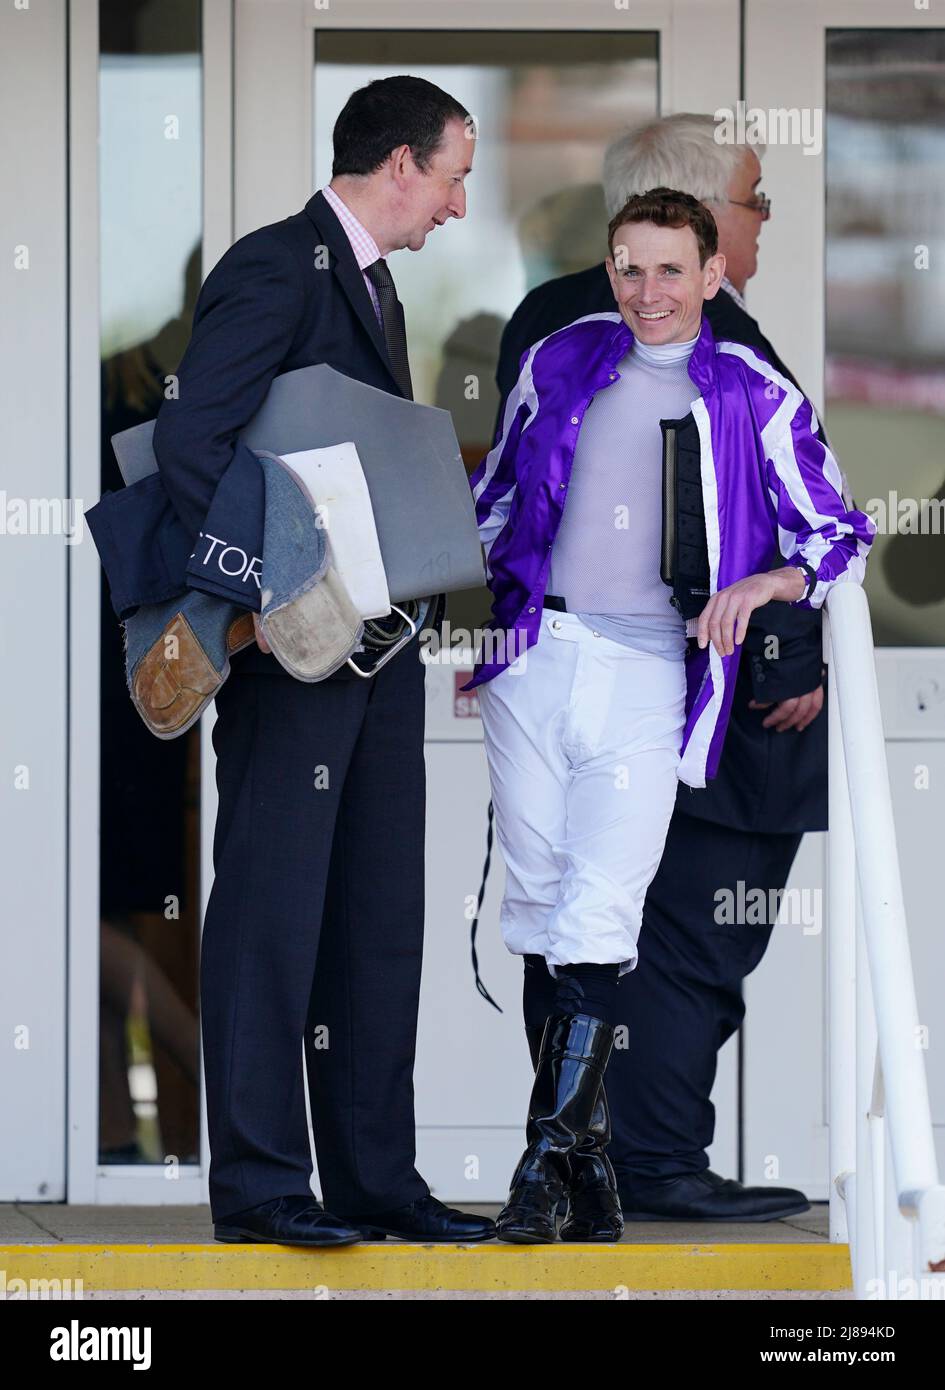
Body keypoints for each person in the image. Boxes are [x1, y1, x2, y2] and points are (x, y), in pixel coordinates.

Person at [466, 187, 875, 1244]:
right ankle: (585, 1174)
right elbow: (499, 500)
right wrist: (480, 631)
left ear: (711, 276)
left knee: (600, 910)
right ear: (610, 271)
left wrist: (766, 585)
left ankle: (541, 1172)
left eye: (670, 270)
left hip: (653, 668)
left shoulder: (751, 392)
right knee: (543, 906)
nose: (649, 292)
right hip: (534, 658)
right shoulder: (558, 359)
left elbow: (840, 534)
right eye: (629, 268)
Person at [151, 76, 495, 1247]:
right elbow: (194, 440)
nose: (458, 203)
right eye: (454, 174)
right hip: (292, 657)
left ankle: (375, 1183)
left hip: (376, 655)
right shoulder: (273, 263)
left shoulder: (374, 284)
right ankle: (258, 1189)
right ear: (400, 163)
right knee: (272, 919)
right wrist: (282, 586)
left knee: (375, 920)